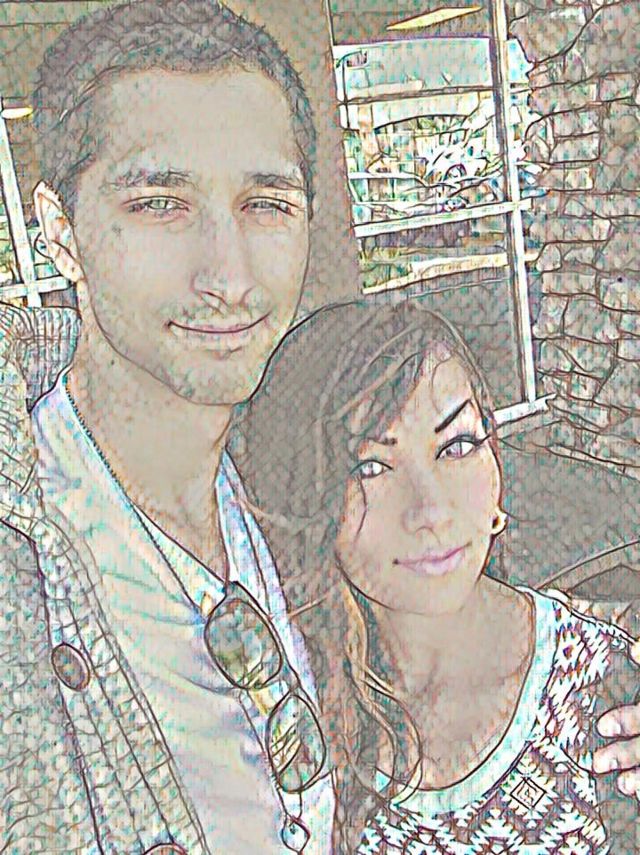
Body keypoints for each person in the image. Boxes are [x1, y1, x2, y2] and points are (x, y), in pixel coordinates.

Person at [0, 1, 333, 852]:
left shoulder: (308, 471)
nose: (228, 275)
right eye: (160, 203)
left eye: (266, 203)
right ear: (60, 233)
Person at [234, 298, 640, 853]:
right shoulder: (278, 705)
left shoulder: (604, 691)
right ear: (307, 498)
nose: (432, 510)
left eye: (457, 446)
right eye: (370, 467)